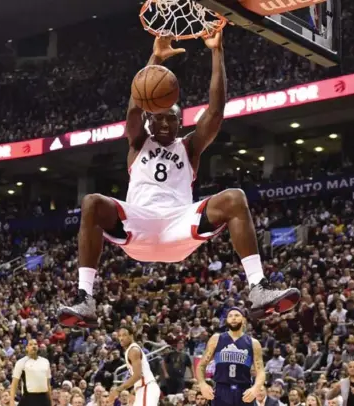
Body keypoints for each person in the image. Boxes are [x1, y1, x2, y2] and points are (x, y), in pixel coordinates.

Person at [57, 32, 300, 328]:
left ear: (179, 121)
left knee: (235, 198)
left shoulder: (190, 147)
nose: (164, 122)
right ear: (149, 120)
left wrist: (217, 51)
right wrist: (155, 58)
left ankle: (259, 288)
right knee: (92, 202)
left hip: (178, 224)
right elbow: (136, 104)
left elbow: (216, 110)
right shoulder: (137, 142)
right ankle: (85, 297)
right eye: (158, 117)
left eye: (170, 117)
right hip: (139, 223)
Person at [196, 308, 266, 405]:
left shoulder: (253, 343)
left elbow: (261, 371)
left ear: (244, 320)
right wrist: (202, 384)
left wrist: (255, 388)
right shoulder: (216, 339)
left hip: (244, 391)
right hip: (221, 390)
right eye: (230, 316)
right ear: (227, 320)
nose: (233, 318)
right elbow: (201, 365)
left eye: (237, 315)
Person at [108, 326, 160, 406]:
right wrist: (134, 389)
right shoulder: (130, 350)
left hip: (147, 387)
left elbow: (137, 375)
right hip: (141, 389)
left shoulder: (133, 350)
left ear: (131, 336)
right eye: (119, 336)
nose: (121, 338)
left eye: (124, 335)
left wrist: (118, 390)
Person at [10, 339, 51, 406]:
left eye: (35, 344)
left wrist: (50, 402)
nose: (33, 346)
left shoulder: (45, 362)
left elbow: (48, 385)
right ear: (27, 348)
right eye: (31, 344)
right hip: (28, 398)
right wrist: (11, 402)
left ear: (38, 347)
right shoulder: (21, 362)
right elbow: (14, 384)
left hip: (44, 399)